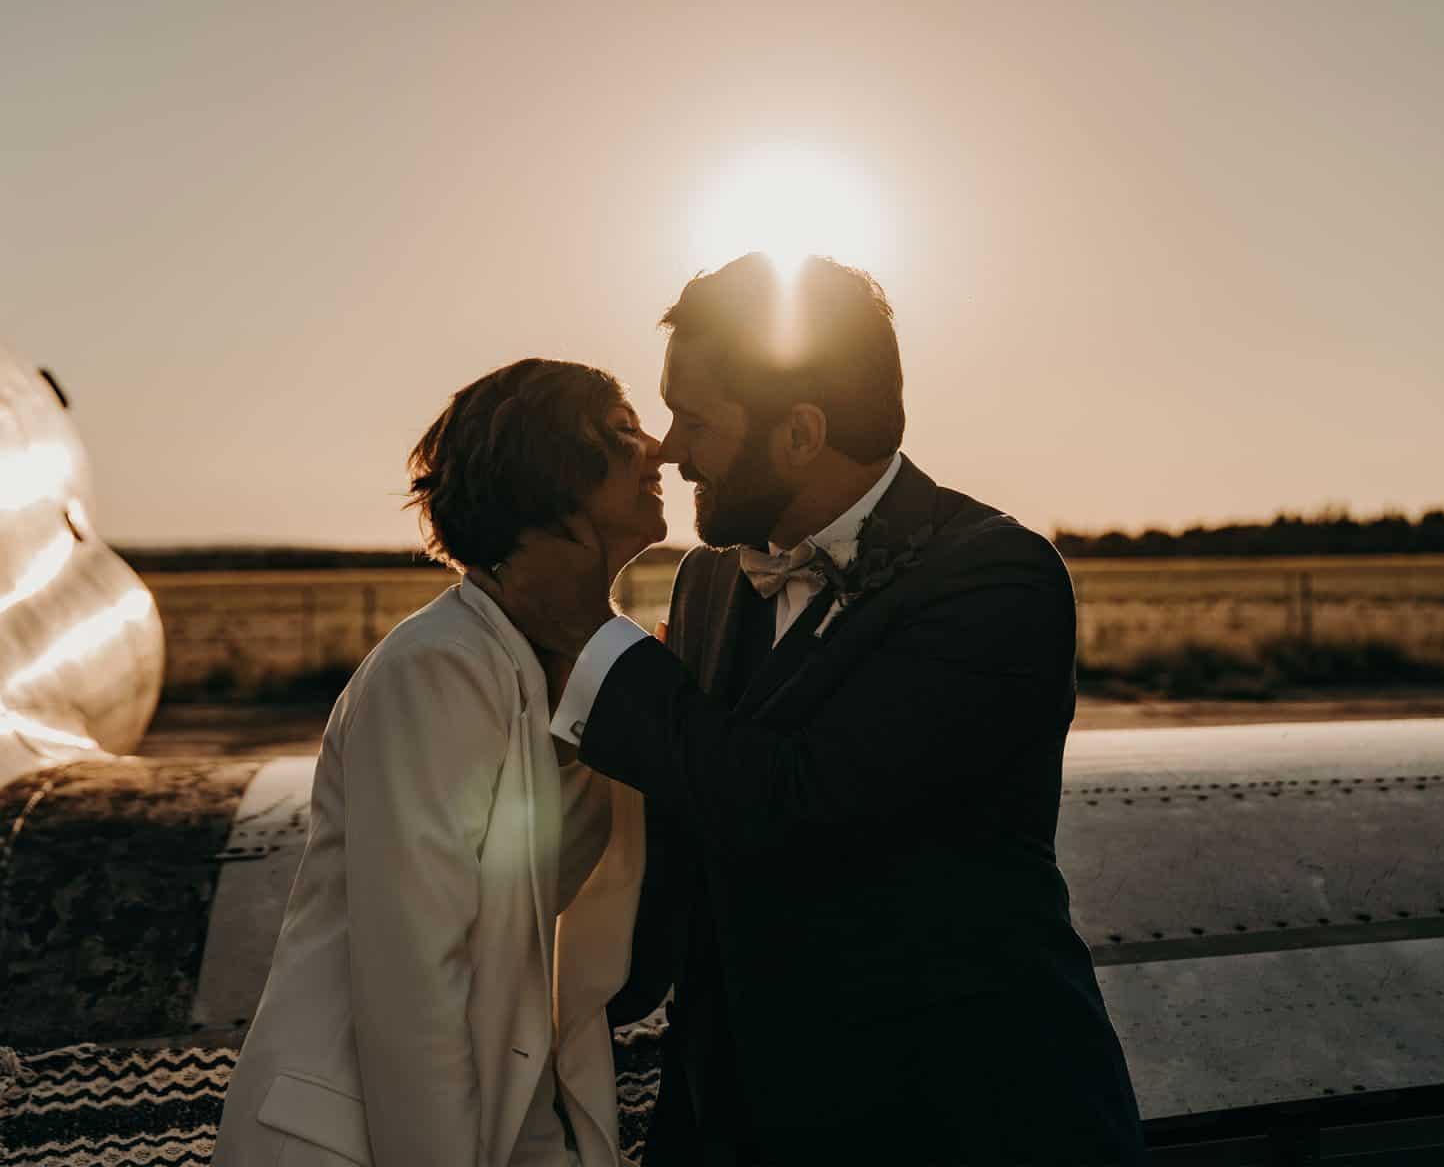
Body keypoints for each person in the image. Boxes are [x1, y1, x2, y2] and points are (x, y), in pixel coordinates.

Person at [484, 255, 1148, 1165]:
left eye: (696, 420)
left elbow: (795, 804)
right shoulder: (709, 578)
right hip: (736, 1116)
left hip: (964, 1115)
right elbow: (689, 817)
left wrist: (588, 636)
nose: (670, 451)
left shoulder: (998, 581)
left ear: (800, 433)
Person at [213, 359, 664, 1167]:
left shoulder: (590, 662)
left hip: (513, 1101)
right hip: (360, 1132)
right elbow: (412, 972)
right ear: (550, 474)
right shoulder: (438, 666)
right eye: (623, 431)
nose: (658, 449)